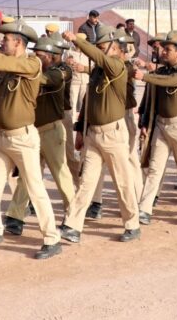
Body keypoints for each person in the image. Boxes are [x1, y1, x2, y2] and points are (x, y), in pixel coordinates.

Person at [0, 20, 63, 262]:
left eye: (6, 39)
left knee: (35, 189)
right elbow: (1, 66)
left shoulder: (32, 63)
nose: (2, 42)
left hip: (23, 139)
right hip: (1, 138)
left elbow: (5, 62)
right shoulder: (8, 68)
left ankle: (52, 238)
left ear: (18, 42)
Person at [59, 29, 141, 243]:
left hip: (113, 134)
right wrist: (81, 129)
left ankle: (132, 223)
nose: (100, 51)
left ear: (116, 49)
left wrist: (77, 41)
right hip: (93, 133)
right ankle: (73, 225)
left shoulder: (118, 66)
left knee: (122, 181)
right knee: (86, 181)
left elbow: (100, 58)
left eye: (103, 47)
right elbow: (89, 101)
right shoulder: (98, 70)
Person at [3, 36, 76, 234]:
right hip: (33, 131)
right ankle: (16, 215)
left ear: (51, 56)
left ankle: (73, 215)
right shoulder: (35, 70)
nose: (36, 58)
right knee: (27, 175)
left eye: (40, 55)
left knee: (60, 174)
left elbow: (46, 79)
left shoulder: (60, 71)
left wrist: (26, 71)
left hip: (51, 131)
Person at [133, 31, 177, 225]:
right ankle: (145, 208)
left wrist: (146, 76)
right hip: (161, 125)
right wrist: (146, 122)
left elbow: (172, 81)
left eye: (167, 49)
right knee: (154, 169)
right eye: (163, 49)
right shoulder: (162, 71)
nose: (163, 52)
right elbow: (152, 96)